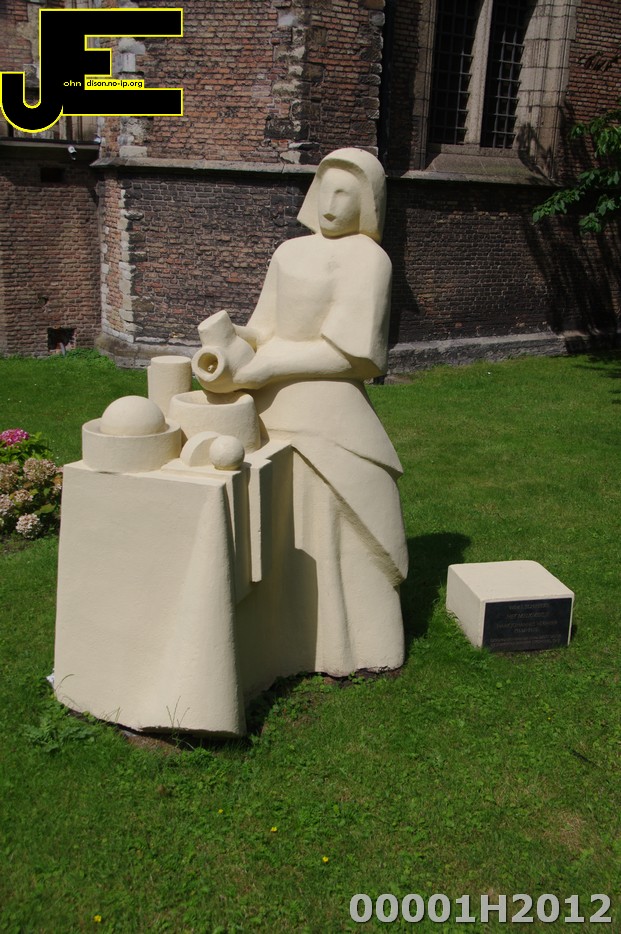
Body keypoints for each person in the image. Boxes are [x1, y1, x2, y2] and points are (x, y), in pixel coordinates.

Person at [215, 148, 408, 676]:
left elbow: (355, 357)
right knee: (279, 520)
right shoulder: (289, 252)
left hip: (328, 407)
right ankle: (281, 644)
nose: (331, 202)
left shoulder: (370, 260)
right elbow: (264, 327)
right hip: (270, 406)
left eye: (345, 193)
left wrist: (269, 366)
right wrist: (229, 345)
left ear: (367, 203)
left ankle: (353, 644)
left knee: (342, 515)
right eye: (325, 188)